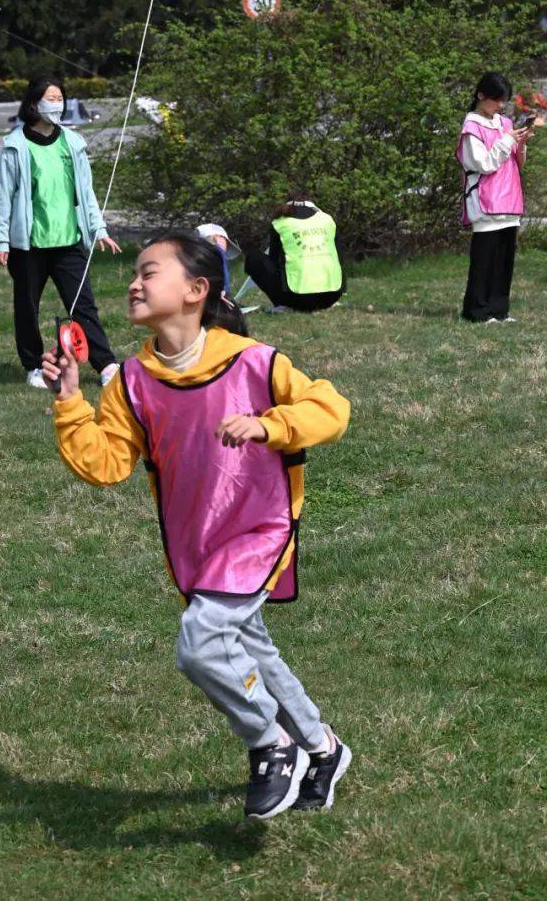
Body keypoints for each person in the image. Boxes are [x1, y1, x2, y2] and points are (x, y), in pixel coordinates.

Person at [43, 232, 352, 821]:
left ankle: (270, 743)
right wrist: (69, 399)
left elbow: (331, 409)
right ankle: (321, 746)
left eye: (149, 272)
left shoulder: (257, 362)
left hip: (260, 530)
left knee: (201, 644)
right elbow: (105, 463)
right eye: (134, 273)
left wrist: (270, 426)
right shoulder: (132, 381)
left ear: (195, 290)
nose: (134, 283)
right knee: (248, 648)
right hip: (196, 545)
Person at [0, 73, 121, 390]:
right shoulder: (14, 146)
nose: (57, 104)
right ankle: (34, 366)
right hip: (29, 245)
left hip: (69, 241)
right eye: (51, 98)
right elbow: (2, 197)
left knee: (83, 305)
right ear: (34, 103)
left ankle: (105, 365)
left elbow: (87, 193)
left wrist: (99, 229)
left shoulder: (73, 143)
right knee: (27, 307)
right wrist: (1, 240)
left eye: (60, 98)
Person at [457, 71, 535, 324]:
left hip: (510, 201)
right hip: (485, 202)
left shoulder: (505, 124)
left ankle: (499, 311)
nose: (501, 106)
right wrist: (505, 142)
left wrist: (521, 143)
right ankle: (477, 312)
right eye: (497, 100)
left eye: (504, 101)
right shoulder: (471, 128)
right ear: (481, 96)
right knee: (484, 262)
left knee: (504, 262)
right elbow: (484, 164)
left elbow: (518, 161)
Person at [243, 200, 345, 314]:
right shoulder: (327, 220)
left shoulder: (280, 223)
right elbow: (339, 258)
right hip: (331, 297)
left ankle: (283, 304)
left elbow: (274, 260)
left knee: (253, 257)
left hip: (296, 299)